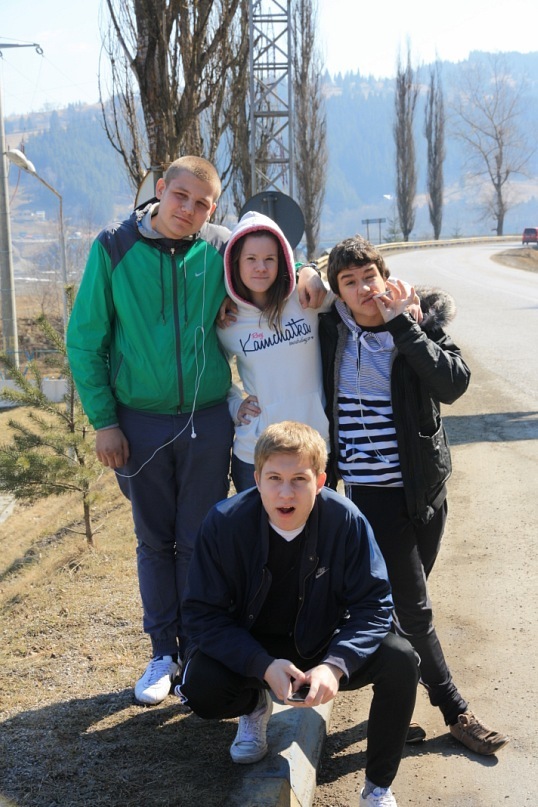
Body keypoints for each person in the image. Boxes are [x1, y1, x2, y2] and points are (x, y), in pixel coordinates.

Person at [66, 156, 325, 707]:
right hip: (137, 420)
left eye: (203, 203)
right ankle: (164, 652)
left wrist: (307, 272)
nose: (189, 209)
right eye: (180, 196)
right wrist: (105, 421)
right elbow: (86, 340)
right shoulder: (114, 247)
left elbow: (272, 255)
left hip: (208, 420)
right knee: (154, 541)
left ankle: (200, 650)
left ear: (214, 208)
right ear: (161, 189)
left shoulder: (220, 247)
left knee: (200, 541)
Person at [319, 235, 509, 756]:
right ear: (338, 292)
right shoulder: (330, 331)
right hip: (372, 497)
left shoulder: (417, 323)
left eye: (370, 277)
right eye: (349, 282)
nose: (363, 289)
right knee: (413, 608)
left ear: (387, 278)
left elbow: (453, 384)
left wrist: (405, 324)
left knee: (397, 608)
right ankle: (456, 711)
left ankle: (392, 697)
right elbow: (287, 287)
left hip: (425, 490)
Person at [177, 421, 419, 807]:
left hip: (321, 643)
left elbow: (374, 604)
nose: (285, 493)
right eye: (274, 478)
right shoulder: (224, 523)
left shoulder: (346, 520)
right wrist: (261, 665)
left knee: (401, 661)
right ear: (256, 479)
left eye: (299, 480)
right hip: (253, 647)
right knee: (200, 686)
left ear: (320, 481)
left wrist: (335, 666)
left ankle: (377, 787)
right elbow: (202, 614)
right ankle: (254, 706)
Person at [218, 210, 334, 492]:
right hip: (256, 452)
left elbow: (355, 299)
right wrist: (235, 405)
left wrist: (307, 270)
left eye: (269, 259)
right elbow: (213, 374)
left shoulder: (307, 297)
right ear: (235, 263)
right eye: (251, 259)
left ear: (282, 260)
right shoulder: (227, 322)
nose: (261, 267)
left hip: (313, 446)